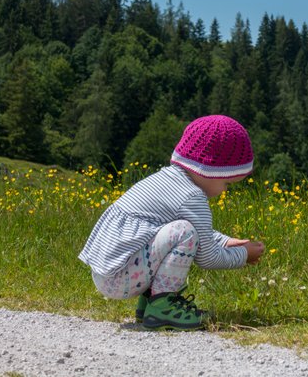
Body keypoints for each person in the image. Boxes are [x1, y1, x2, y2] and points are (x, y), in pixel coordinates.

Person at [79, 115, 265, 330]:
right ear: (210, 171)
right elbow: (208, 258)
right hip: (121, 279)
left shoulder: (167, 180)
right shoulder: (192, 197)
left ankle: (150, 303)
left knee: (182, 231)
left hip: (108, 274)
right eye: (227, 183)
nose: (225, 191)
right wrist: (244, 255)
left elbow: (192, 232)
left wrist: (226, 241)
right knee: (184, 232)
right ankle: (163, 309)